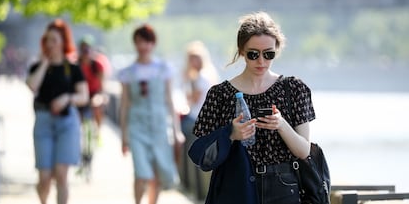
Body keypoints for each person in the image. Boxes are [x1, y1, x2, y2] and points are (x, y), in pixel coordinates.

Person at [188, 12, 315, 204]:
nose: (261, 61)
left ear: (277, 50)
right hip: (234, 187)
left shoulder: (294, 89)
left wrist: (281, 125)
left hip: (283, 188)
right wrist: (231, 133)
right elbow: (201, 154)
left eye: (269, 54)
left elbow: (304, 150)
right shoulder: (219, 94)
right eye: (253, 54)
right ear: (241, 51)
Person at [118, 24, 185, 204]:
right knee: (141, 172)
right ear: (135, 44)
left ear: (153, 44)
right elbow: (124, 104)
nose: (143, 46)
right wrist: (123, 135)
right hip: (137, 125)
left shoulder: (164, 69)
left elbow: (170, 101)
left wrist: (176, 131)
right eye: (140, 42)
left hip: (159, 125)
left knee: (157, 171)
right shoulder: (127, 73)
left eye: (147, 42)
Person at [26, 19, 89, 204]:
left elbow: (83, 96)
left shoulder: (73, 69)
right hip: (44, 121)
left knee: (61, 175)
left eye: (54, 39)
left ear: (63, 41)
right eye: (48, 40)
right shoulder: (37, 67)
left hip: (67, 122)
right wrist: (45, 62)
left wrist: (67, 98)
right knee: (44, 177)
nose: (50, 44)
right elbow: (31, 85)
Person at [180, 41, 219, 194]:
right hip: (207, 120)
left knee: (194, 158)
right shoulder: (210, 73)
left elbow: (193, 100)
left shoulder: (199, 77)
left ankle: (194, 190)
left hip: (196, 120)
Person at [78, 35, 105, 129]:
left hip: (94, 93)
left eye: (88, 48)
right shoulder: (76, 65)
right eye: (83, 48)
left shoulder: (97, 65)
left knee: (97, 105)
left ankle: (98, 130)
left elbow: (101, 86)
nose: (86, 51)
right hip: (80, 93)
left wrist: (101, 96)